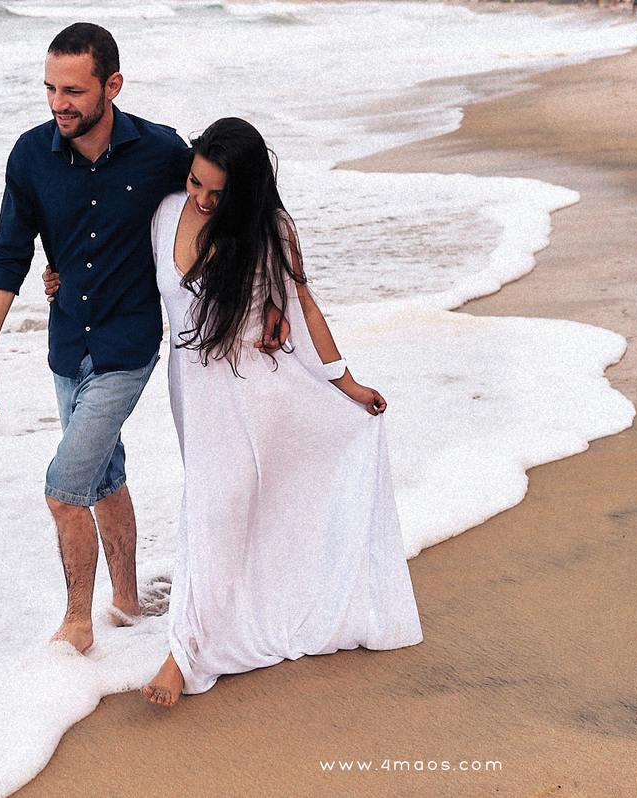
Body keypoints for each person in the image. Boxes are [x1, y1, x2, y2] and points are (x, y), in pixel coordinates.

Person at [137, 118, 423, 705]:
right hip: (194, 388)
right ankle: (250, 609)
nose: (203, 200)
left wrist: (346, 382)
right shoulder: (166, 212)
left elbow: (303, 304)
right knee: (225, 505)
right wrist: (62, 281)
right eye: (196, 183)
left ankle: (184, 654)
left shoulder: (271, 230)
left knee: (216, 507)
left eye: (219, 194)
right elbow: (134, 286)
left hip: (260, 390)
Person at [0, 23, 191, 654]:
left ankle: (77, 627)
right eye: (49, 89)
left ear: (111, 86)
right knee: (103, 478)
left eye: (73, 90)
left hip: (128, 347)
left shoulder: (162, 152)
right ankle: (126, 604)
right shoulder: (31, 156)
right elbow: (8, 255)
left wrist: (265, 294)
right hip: (67, 347)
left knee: (64, 489)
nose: (58, 103)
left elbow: (222, 199)